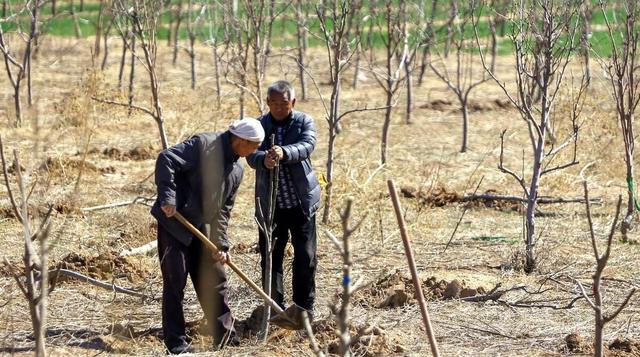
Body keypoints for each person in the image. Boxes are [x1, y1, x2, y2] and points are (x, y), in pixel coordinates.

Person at [151, 118, 264, 354]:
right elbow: (167, 159)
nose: (255, 151)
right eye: (254, 146)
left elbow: (224, 210)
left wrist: (221, 244)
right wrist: (168, 199)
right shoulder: (204, 145)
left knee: (215, 282)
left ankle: (225, 338)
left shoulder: (237, 169)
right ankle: (176, 343)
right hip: (176, 224)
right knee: (175, 282)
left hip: (204, 230)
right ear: (241, 140)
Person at [247, 80, 321, 320]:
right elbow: (249, 151)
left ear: (293, 103)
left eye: (284, 104)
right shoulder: (259, 125)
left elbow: (308, 145)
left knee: (306, 256)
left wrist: (284, 152)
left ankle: (303, 309)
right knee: (271, 257)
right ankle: (274, 308)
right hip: (271, 207)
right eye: (275, 103)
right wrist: (262, 160)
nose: (279, 108)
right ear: (267, 103)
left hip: (300, 203)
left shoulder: (303, 122)